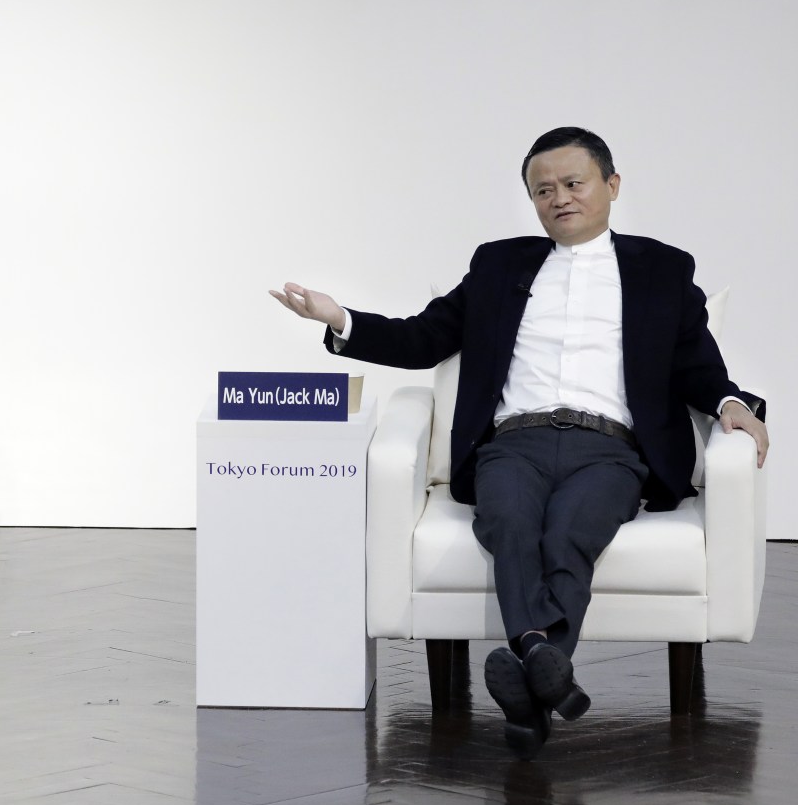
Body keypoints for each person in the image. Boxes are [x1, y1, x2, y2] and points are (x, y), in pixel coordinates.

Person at [271, 127, 768, 759]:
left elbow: (699, 364)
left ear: (611, 186)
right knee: (508, 520)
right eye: (542, 190)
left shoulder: (662, 268)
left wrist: (733, 405)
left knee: (570, 531)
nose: (558, 197)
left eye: (572, 183)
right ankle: (545, 666)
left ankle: (530, 673)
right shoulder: (499, 264)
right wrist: (339, 320)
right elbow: (423, 338)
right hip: (514, 443)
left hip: (609, 448)